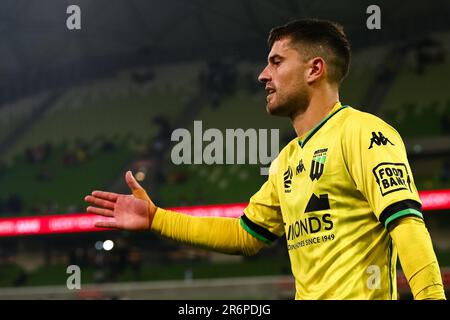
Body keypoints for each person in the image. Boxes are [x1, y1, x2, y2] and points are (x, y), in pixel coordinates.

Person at [84, 19, 446, 300]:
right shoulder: (286, 160)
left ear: (314, 69)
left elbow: (406, 224)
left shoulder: (363, 133)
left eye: (276, 62)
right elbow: (246, 235)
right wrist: (158, 219)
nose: (263, 75)